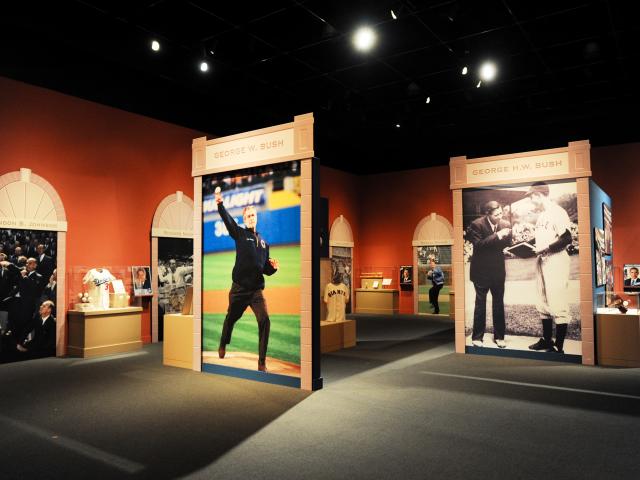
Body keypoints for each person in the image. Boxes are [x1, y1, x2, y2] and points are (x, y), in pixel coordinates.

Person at [215, 187, 279, 372]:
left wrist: (272, 268)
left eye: (253, 215)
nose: (251, 217)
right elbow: (227, 220)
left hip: (256, 291)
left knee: (265, 320)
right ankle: (223, 342)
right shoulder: (240, 234)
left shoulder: (264, 244)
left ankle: (261, 362)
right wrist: (220, 204)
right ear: (244, 219)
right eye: (248, 216)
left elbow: (264, 269)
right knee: (231, 318)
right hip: (239, 289)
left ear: (256, 217)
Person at [526, 182, 573, 354]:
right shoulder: (542, 216)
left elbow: (567, 238)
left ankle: (558, 347)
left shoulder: (558, 212)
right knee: (542, 301)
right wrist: (520, 247)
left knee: (558, 302)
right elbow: (541, 240)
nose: (530, 199)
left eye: (531, 196)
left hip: (556, 260)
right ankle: (547, 341)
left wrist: (545, 249)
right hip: (542, 259)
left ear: (538, 195)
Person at [467, 201, 511, 348]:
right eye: (496, 214)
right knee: (480, 304)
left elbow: (507, 243)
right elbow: (478, 245)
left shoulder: (505, 224)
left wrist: (509, 246)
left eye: (501, 213)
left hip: (498, 271)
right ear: (488, 214)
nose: (500, 216)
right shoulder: (476, 225)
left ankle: (500, 337)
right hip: (481, 272)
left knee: (498, 304)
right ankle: (477, 337)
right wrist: (497, 235)